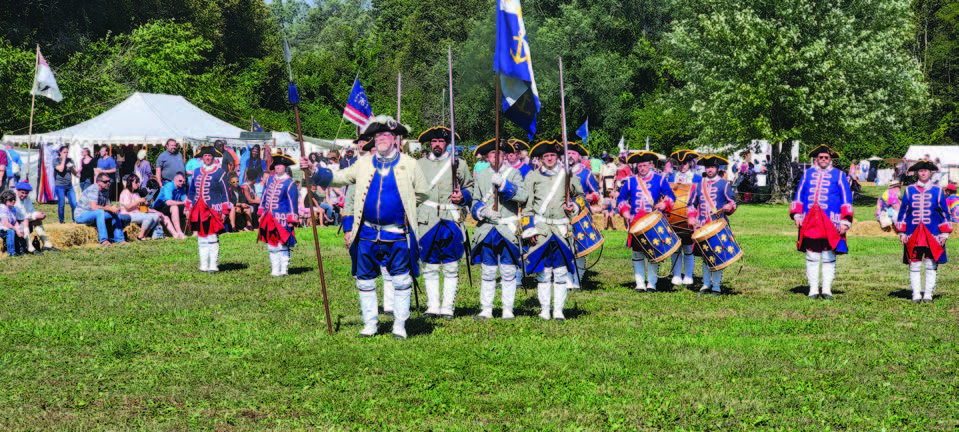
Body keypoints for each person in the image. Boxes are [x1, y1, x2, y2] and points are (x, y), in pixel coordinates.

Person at [303, 115, 428, 339]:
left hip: (397, 232)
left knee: (400, 279)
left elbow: (422, 192)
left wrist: (407, 206)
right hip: (367, 231)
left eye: (386, 135)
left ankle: (400, 325)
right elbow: (339, 177)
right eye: (377, 135)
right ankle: (370, 324)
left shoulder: (410, 164)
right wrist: (314, 172)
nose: (381, 139)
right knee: (365, 279)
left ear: (395, 139)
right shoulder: (363, 163)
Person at [523, 141, 586, 321]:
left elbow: (581, 197)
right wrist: (529, 230)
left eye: (552, 155)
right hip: (541, 229)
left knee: (560, 272)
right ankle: (544, 309)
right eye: (545, 156)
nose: (549, 159)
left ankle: (558, 310)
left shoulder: (568, 175)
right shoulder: (532, 177)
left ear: (558, 157)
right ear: (541, 159)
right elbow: (526, 207)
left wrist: (573, 206)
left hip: (561, 228)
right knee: (543, 272)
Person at [415, 127, 474, 319]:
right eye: (433, 142)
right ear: (429, 144)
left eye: (440, 141)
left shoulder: (459, 164)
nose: (437, 144)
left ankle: (448, 307)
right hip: (427, 218)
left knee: (450, 265)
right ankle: (432, 306)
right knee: (429, 264)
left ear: (447, 143)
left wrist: (462, 196)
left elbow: (470, 187)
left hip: (451, 218)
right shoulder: (419, 164)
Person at [469, 139, 526, 319]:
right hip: (487, 229)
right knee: (488, 270)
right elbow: (474, 201)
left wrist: (504, 185)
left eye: (500, 154)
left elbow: (523, 196)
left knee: (508, 271)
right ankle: (486, 309)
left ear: (505, 156)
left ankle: (507, 309)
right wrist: (484, 211)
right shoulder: (481, 175)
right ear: (487, 156)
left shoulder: (514, 173)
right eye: (493, 154)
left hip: (507, 228)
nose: (496, 157)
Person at [790, 145, 854, 300]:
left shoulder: (839, 175)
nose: (823, 160)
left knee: (828, 254)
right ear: (816, 159)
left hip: (831, 221)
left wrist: (846, 220)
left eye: (826, 157)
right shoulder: (807, 174)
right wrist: (797, 214)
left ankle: (826, 289)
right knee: (812, 254)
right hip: (810, 220)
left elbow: (846, 197)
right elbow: (799, 194)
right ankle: (812, 289)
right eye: (821, 157)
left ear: (830, 159)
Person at [617, 151, 676, 292]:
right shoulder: (631, 181)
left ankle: (652, 284)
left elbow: (670, 196)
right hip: (636, 222)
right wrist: (625, 211)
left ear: (650, 165)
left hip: (653, 223)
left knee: (653, 252)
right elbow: (621, 198)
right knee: (637, 253)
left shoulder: (660, 180)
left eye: (644, 165)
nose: (641, 168)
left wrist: (665, 204)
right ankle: (639, 283)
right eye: (639, 166)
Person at [895, 160, 952, 303]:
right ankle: (916, 294)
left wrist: (944, 233)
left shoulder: (937, 190)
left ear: (930, 172)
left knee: (931, 262)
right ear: (916, 173)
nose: (923, 172)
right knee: (914, 262)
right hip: (913, 232)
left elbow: (944, 213)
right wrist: (902, 232)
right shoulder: (909, 190)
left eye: (926, 170)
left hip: (933, 232)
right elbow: (903, 212)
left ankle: (928, 294)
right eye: (920, 170)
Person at [687, 155, 737, 295]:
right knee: (705, 255)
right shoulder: (698, 185)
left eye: (712, 167)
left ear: (717, 168)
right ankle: (706, 284)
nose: (710, 169)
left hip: (718, 226)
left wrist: (728, 207)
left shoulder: (724, 184)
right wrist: (691, 218)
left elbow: (733, 202)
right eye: (708, 167)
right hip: (703, 225)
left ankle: (716, 286)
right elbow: (691, 204)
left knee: (717, 254)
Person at [189, 146, 232, 272]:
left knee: (212, 237)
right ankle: (203, 265)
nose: (207, 158)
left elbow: (225, 193)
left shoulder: (220, 173)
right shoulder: (196, 171)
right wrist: (188, 207)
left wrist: (225, 211)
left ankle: (213, 265)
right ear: (202, 158)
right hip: (198, 209)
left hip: (213, 209)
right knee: (201, 237)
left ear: (213, 158)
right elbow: (192, 191)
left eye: (209, 156)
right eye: (205, 156)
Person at [566, 142, 601, 290]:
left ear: (579, 156)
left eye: (573, 153)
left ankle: (577, 279)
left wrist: (585, 198)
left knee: (580, 248)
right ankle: (567, 280)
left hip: (581, 215)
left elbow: (596, 194)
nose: (570, 156)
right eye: (568, 153)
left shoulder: (586, 173)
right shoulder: (560, 171)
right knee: (566, 247)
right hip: (563, 215)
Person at [258, 154, 299, 276]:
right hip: (269, 217)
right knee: (272, 244)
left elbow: (293, 202)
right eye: (276, 165)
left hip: (283, 219)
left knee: (283, 244)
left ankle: (284, 269)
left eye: (280, 165)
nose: (278, 167)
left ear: (285, 167)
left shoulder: (290, 183)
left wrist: (292, 218)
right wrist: (261, 211)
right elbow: (264, 197)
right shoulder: (270, 180)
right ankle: (275, 269)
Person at [666, 149, 702, 287]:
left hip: (689, 217)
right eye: (680, 163)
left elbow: (700, 198)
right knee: (675, 247)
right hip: (673, 218)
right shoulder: (670, 178)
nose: (682, 166)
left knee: (688, 247)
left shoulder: (697, 179)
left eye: (685, 163)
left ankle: (688, 275)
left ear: (690, 163)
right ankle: (676, 275)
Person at [75, 173, 129, 245]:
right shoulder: (93, 189)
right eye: (105, 181)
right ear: (99, 182)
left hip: (93, 214)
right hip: (81, 215)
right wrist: (110, 208)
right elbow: (94, 207)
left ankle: (120, 240)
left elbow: (105, 205)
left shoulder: (105, 190)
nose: (108, 183)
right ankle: (104, 240)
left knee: (115, 213)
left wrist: (113, 209)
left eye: (109, 181)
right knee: (99, 212)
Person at [119, 174, 164, 241]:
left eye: (138, 181)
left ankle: (144, 235)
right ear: (130, 182)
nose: (138, 184)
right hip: (128, 214)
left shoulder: (136, 194)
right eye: (136, 182)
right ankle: (140, 236)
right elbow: (128, 207)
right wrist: (138, 201)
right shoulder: (125, 192)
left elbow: (140, 208)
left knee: (156, 216)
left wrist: (144, 204)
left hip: (137, 213)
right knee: (148, 217)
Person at [13, 182, 55, 253]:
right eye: (22, 193)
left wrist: (39, 214)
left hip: (23, 219)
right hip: (14, 222)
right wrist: (33, 216)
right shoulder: (13, 199)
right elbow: (19, 215)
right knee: (25, 221)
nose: (24, 195)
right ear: (17, 191)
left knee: (37, 221)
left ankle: (46, 244)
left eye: (26, 193)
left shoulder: (27, 198)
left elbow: (31, 211)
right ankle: (30, 247)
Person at [152, 173, 189, 239]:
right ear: (175, 179)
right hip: (159, 207)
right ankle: (179, 233)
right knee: (174, 207)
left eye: (183, 181)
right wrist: (183, 203)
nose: (182, 183)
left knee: (188, 209)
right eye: (180, 181)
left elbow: (185, 201)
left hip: (170, 207)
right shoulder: (169, 186)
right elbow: (168, 202)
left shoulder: (182, 188)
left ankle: (194, 232)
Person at [53, 145, 79, 223]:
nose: (66, 154)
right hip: (60, 186)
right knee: (62, 204)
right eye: (64, 152)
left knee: (74, 203)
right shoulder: (56, 160)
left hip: (69, 186)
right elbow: (60, 169)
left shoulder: (70, 160)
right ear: (60, 153)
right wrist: (64, 160)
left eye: (67, 152)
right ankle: (61, 221)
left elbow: (75, 174)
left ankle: (75, 220)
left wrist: (72, 168)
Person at [0, 190, 25, 256]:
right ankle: (11, 252)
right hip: (2, 228)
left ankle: (21, 250)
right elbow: (5, 223)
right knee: (11, 231)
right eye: (11, 199)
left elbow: (15, 221)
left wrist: (18, 229)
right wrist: (16, 229)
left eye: (14, 199)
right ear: (4, 200)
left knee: (18, 231)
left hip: (9, 227)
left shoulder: (13, 208)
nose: (13, 201)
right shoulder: (2, 208)